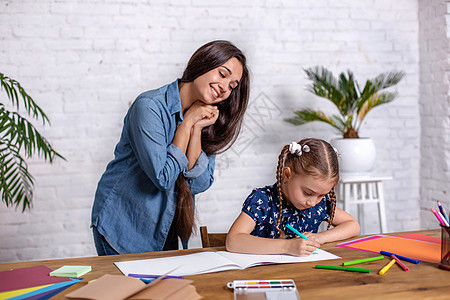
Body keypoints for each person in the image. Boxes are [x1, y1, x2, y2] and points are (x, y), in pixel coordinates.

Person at [91, 40, 250, 255]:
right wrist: (185, 124)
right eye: (222, 74)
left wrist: (195, 129)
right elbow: (163, 177)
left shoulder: (207, 119)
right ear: (203, 63)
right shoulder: (149, 107)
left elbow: (199, 184)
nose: (224, 87)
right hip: (124, 224)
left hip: (164, 228)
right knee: (127, 289)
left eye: (232, 86)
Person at [226, 138, 360, 256]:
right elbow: (233, 241)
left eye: (321, 195)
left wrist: (320, 237)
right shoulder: (263, 200)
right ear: (287, 175)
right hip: (261, 276)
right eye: (308, 193)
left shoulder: (320, 205)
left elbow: (353, 225)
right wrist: (288, 246)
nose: (313, 202)